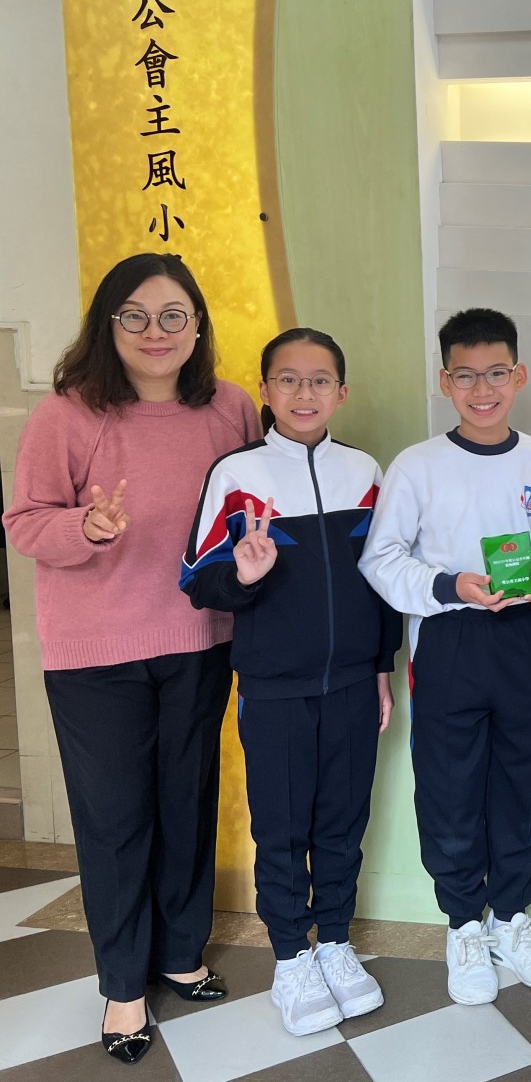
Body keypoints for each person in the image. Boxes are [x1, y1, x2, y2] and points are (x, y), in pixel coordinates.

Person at [1, 253, 258, 1065]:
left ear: (197, 326)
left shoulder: (229, 407)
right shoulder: (67, 414)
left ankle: (181, 951)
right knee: (115, 820)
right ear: (107, 325)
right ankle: (121, 984)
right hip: (95, 655)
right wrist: (83, 526)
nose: (156, 332)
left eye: (174, 315)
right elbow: (24, 522)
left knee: (187, 802)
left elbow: (254, 508)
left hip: (201, 639)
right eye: (136, 316)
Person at [181, 328, 401, 1036]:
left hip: (353, 682)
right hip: (273, 686)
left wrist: (381, 666)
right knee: (281, 827)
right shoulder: (235, 474)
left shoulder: (365, 472)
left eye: (319, 380)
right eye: (288, 379)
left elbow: (384, 577)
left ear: (342, 391)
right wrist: (243, 576)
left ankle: (333, 941)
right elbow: (197, 579)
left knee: (343, 821)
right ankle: (290, 958)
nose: (304, 393)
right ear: (265, 390)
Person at [359, 308, 531, 1006]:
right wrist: (451, 585)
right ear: (445, 380)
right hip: (448, 637)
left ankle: (510, 916)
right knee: (449, 786)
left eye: (497, 373)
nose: (484, 390)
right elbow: (381, 559)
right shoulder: (417, 466)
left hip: (526, 635)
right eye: (467, 376)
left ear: (520, 376)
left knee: (518, 781)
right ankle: (462, 924)